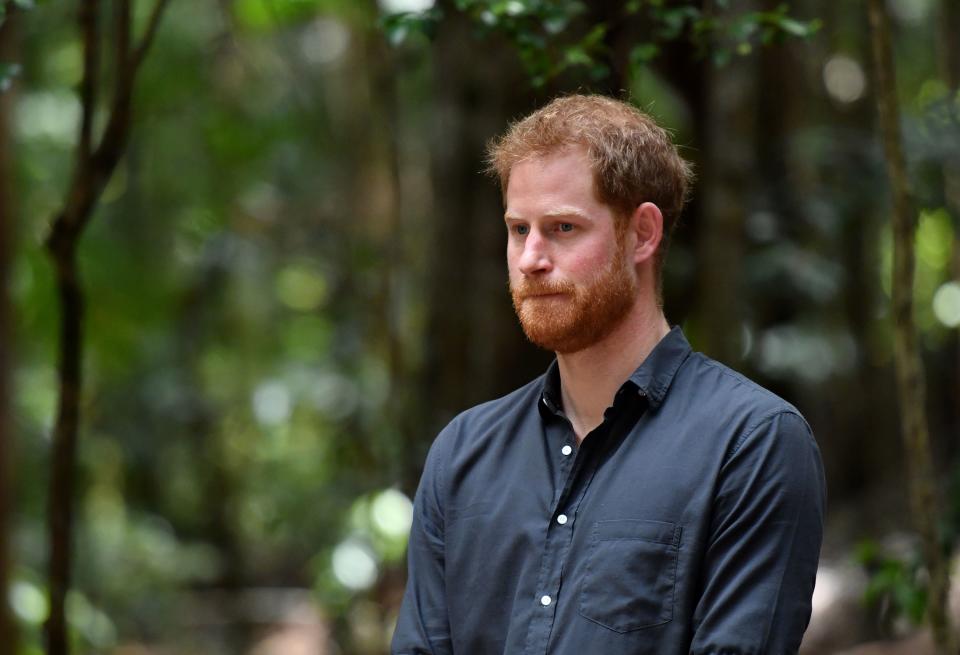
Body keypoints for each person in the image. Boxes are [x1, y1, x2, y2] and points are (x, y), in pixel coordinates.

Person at [391, 94, 826, 655]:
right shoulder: (462, 453)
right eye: (519, 229)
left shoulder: (752, 442)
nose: (530, 259)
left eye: (564, 228)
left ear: (642, 234)